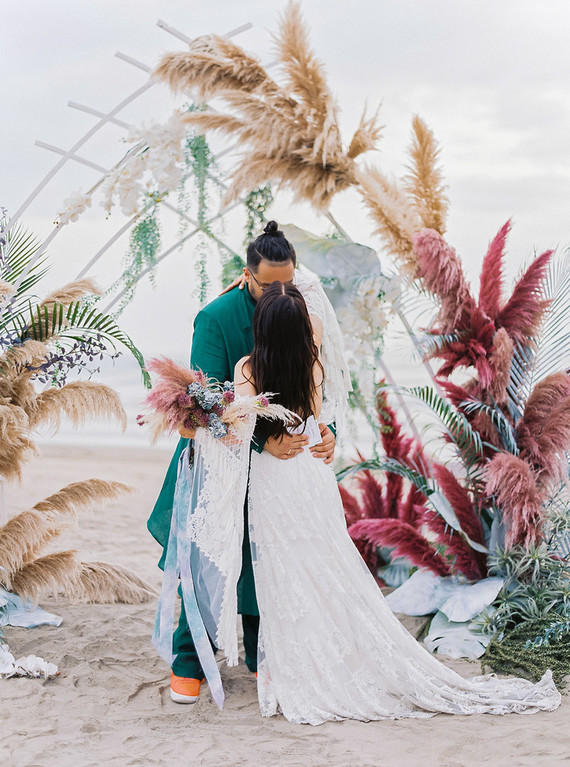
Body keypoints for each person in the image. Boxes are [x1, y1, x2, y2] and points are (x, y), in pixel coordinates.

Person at [231, 281, 560, 724]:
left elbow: (241, 429)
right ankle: (331, 659)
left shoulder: (248, 369)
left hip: (277, 481)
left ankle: (301, 668)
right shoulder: (312, 364)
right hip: (309, 475)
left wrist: (264, 435)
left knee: (287, 573)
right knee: (327, 569)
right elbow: (310, 416)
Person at [147, 221, 338, 703]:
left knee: (262, 557)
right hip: (219, 459)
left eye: (287, 282)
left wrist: (323, 429)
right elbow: (207, 404)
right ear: (246, 275)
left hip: (277, 468)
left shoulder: (297, 306)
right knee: (206, 558)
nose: (279, 291)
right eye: (268, 284)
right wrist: (263, 442)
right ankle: (189, 660)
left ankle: (258, 653)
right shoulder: (215, 318)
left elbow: (313, 380)